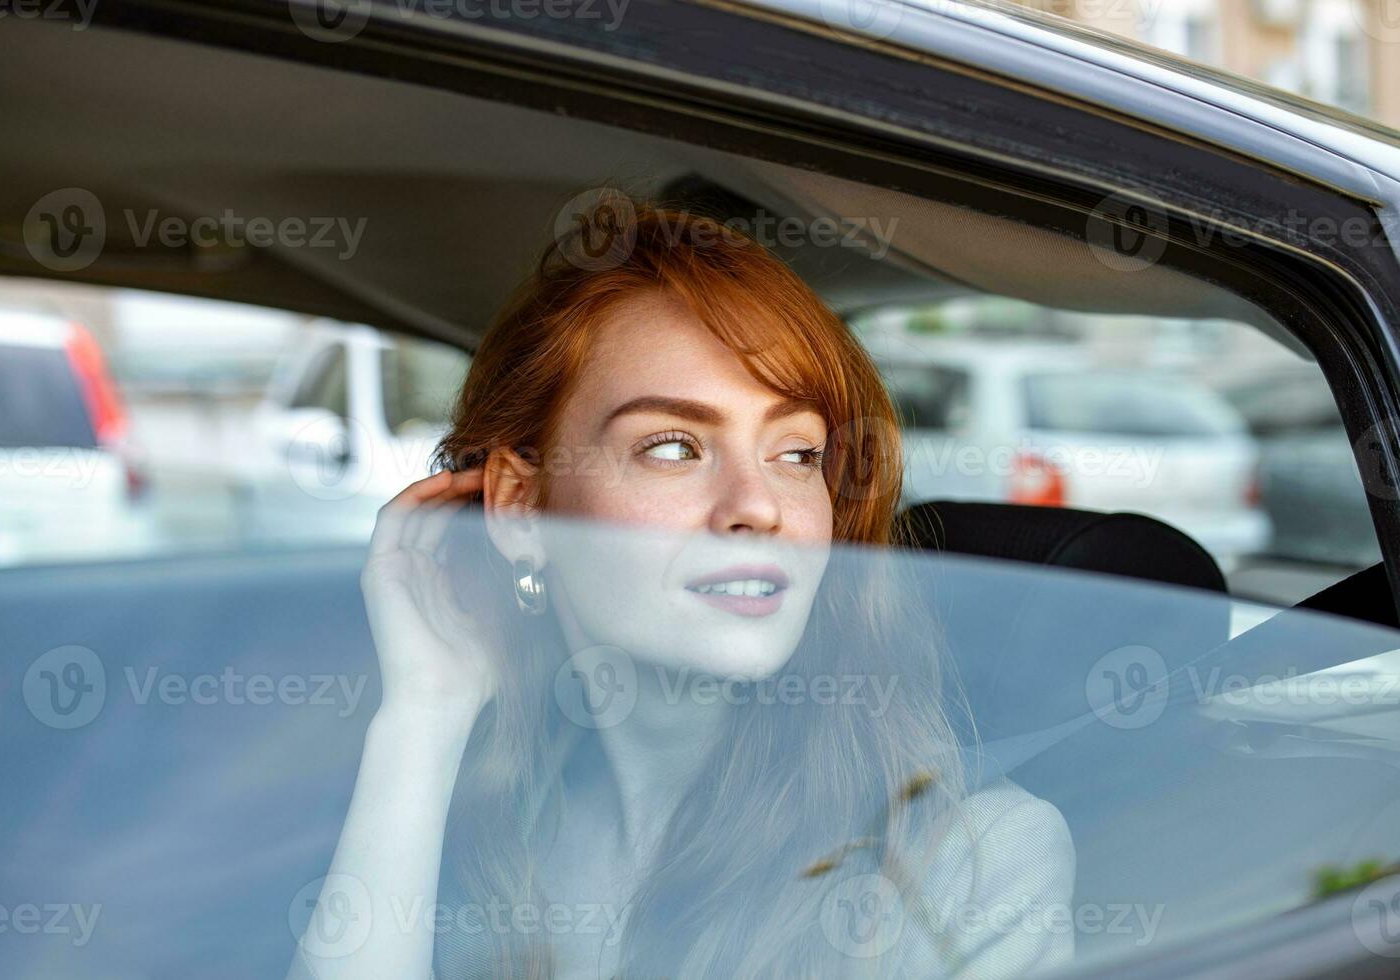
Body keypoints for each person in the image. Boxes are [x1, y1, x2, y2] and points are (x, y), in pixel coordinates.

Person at [290, 196, 1074, 979]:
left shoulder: (973, 861)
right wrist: (424, 714)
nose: (757, 507)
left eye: (796, 453)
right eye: (672, 448)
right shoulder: (477, 820)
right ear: (523, 506)